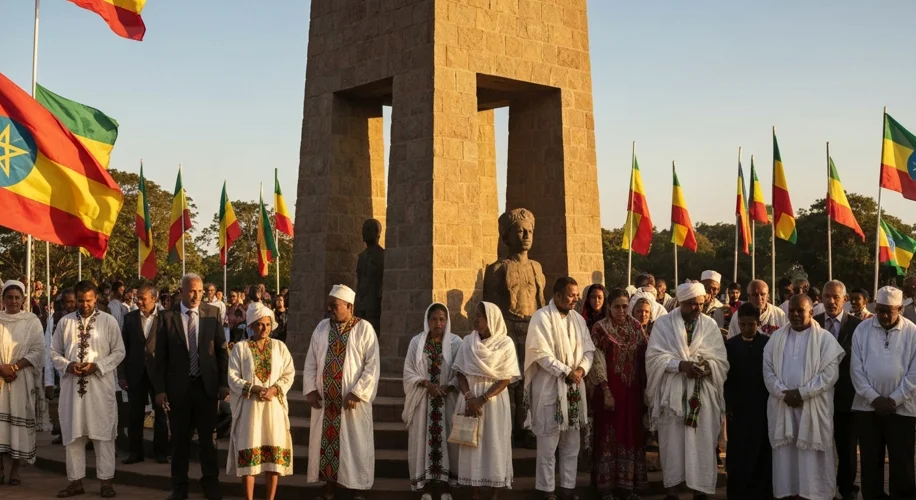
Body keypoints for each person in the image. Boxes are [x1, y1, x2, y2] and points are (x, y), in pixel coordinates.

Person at [646, 282, 728, 499]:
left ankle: (700, 491)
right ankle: (672, 491)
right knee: (672, 444)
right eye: (691, 304)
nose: (697, 308)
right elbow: (654, 359)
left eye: (700, 304)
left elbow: (721, 360)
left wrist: (707, 367)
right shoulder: (663, 324)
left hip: (702, 394)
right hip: (672, 395)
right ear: (680, 302)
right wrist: (680, 365)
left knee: (702, 443)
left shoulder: (710, 325)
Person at [154, 273, 229, 500]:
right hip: (178, 390)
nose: (196, 295)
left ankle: (211, 484)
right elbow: (160, 357)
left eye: (200, 291)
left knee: (208, 441)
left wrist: (223, 384)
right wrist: (160, 390)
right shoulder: (167, 317)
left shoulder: (212, 313)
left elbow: (221, 351)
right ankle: (179, 487)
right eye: (192, 291)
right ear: (182, 292)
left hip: (206, 389)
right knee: (179, 442)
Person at [302, 285, 380, 500]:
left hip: (352, 404)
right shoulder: (321, 328)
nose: (329, 309)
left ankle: (358, 490)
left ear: (349, 306)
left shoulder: (364, 329)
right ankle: (329, 489)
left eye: (334, 305)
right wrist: (310, 389)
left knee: (355, 446)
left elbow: (372, 365)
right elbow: (311, 361)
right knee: (326, 445)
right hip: (326, 404)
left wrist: (358, 392)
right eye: (329, 305)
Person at [763, 294, 844, 500]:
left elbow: (830, 375)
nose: (796, 314)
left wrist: (802, 393)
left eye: (801, 310)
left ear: (811, 312)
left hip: (813, 407)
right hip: (783, 406)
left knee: (812, 456)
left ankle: (815, 493)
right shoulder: (776, 338)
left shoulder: (825, 339)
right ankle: (789, 492)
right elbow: (768, 371)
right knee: (786, 454)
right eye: (792, 310)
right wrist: (783, 393)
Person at [50, 280, 125, 498]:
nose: (85, 305)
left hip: (100, 389)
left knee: (104, 435)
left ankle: (106, 482)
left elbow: (119, 352)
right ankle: (75, 482)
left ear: (96, 299)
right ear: (75, 299)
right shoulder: (65, 322)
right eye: (81, 301)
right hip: (72, 390)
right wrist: (68, 365)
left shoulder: (108, 321)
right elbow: (53, 352)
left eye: (89, 300)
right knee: (74, 435)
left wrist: (97, 366)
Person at [524, 277, 595, 500]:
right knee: (548, 445)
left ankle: (568, 489)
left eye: (577, 295)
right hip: (550, 390)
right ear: (556, 295)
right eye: (571, 295)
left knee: (571, 444)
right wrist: (566, 371)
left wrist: (581, 369)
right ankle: (546, 491)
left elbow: (589, 350)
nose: (575, 299)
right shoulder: (541, 317)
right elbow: (540, 353)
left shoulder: (578, 320)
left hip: (573, 390)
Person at [850, 286, 916, 500]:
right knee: (870, 463)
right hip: (867, 408)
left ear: (900, 309)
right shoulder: (862, 330)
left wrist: (894, 399)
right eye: (880, 310)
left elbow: (914, 373)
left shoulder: (912, 332)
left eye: (889, 311)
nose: (884, 316)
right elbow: (856, 369)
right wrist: (874, 399)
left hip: (903, 409)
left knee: (902, 463)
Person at [226, 302, 295, 500]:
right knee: (249, 457)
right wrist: (253, 388)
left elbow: (288, 374)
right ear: (251, 325)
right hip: (250, 410)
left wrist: (274, 389)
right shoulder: (240, 348)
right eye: (259, 324)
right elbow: (232, 377)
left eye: (267, 324)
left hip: (274, 409)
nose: (264, 328)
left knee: (273, 459)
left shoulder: (280, 347)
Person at [453, 302, 520, 499]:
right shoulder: (468, 342)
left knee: (494, 443)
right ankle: (474, 491)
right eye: (475, 315)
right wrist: (469, 398)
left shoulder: (505, 344)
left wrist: (482, 399)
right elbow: (460, 373)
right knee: (471, 444)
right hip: (470, 397)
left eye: (479, 316)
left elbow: (506, 378)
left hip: (493, 401)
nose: (475, 319)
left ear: (491, 319)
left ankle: (494, 493)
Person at [588, 288, 648, 499]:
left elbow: (646, 357)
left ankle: (628, 487)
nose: (621, 311)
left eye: (624, 306)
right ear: (609, 307)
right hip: (610, 393)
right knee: (608, 435)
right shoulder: (600, 329)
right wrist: (606, 391)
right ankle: (606, 488)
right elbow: (597, 361)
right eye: (616, 307)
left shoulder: (636, 327)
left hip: (632, 394)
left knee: (631, 435)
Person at [402, 303, 462, 499]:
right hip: (423, 402)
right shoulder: (416, 342)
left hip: (448, 401)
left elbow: (461, 372)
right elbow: (408, 372)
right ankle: (426, 487)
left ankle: (445, 487)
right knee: (422, 443)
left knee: (448, 443)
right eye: (434, 319)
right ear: (427, 321)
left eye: (442, 319)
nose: (438, 323)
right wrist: (427, 384)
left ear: (447, 321)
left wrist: (448, 386)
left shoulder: (456, 343)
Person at [813, 280, 861, 500]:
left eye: (836, 297)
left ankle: (847, 489)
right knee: (819, 446)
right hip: (818, 396)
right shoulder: (813, 323)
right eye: (827, 296)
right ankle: (821, 488)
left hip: (846, 396)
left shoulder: (858, 326)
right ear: (821, 298)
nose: (831, 301)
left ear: (845, 299)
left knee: (847, 448)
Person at [0, 280, 48, 485]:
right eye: (9, 297)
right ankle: (0, 468)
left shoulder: (32, 321)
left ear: (24, 299)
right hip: (0, 379)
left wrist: (14, 367)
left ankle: (15, 470)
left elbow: (39, 350)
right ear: (3, 299)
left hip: (21, 379)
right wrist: (2, 368)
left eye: (17, 298)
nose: (13, 301)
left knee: (18, 424)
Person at [723, 302, 772, 499]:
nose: (746, 328)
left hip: (762, 408)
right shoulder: (730, 345)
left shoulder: (768, 344)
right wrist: (729, 405)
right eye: (742, 324)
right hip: (738, 410)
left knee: (762, 451)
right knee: (739, 453)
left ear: (758, 323)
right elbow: (726, 379)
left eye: (751, 324)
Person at [118, 284, 168, 465]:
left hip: (159, 374)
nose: (138, 301)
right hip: (136, 372)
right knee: (135, 414)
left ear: (154, 299)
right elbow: (123, 348)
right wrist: (122, 375)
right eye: (137, 297)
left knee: (160, 413)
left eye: (143, 298)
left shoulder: (166, 318)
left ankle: (161, 453)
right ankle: (135, 453)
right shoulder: (129, 318)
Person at [45, 288, 75, 445]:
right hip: (63, 371)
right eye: (66, 302)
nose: (70, 305)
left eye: (73, 301)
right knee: (65, 407)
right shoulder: (55, 320)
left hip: (81, 371)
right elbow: (49, 350)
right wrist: (48, 382)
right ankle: (65, 434)